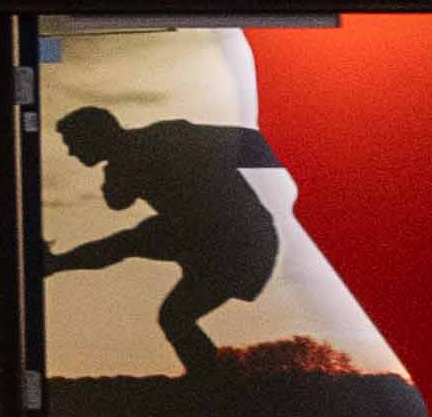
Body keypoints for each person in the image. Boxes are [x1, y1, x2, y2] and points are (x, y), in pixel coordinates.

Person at [37, 101, 294, 377]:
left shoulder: (166, 138)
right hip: (208, 239)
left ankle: (52, 264)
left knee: (137, 241)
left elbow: (249, 145)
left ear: (95, 135)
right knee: (174, 316)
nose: (71, 152)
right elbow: (117, 200)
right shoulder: (123, 166)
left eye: (73, 143)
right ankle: (213, 384)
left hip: (240, 238)